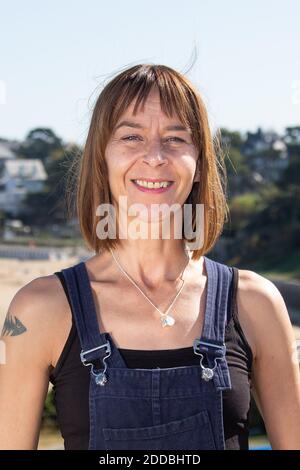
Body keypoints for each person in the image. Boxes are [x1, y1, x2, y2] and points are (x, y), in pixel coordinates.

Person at [0, 64, 299, 450]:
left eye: (175, 138)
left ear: (198, 164)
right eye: (131, 136)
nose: (154, 157)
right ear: (102, 159)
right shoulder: (39, 308)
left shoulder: (255, 303)